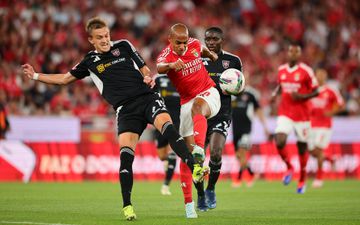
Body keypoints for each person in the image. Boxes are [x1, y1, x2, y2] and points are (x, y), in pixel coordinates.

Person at [22, 17, 208, 221]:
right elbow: (65, 79)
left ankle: (195, 167)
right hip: (126, 110)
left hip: (147, 97)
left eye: (107, 36)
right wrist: (36, 76)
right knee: (126, 158)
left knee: (168, 128)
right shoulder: (89, 61)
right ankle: (127, 206)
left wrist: (147, 76)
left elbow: (144, 67)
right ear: (91, 39)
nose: (105, 40)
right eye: (100, 37)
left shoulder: (124, 45)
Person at [156, 23, 220, 218]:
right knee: (186, 156)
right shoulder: (166, 56)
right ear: (170, 39)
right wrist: (171, 66)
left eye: (184, 42)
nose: (182, 46)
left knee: (198, 107)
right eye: (178, 43)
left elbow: (201, 49)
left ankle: (200, 150)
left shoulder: (193, 44)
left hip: (208, 92)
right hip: (186, 104)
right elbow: (159, 68)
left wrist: (210, 55)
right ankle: (189, 205)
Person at [194, 27, 243, 211]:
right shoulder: (197, 59)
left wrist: (233, 89)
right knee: (197, 160)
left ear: (222, 39)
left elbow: (240, 87)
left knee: (215, 153)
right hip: (200, 114)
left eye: (215, 39)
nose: (211, 42)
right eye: (208, 39)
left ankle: (211, 189)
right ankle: (199, 195)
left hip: (221, 113)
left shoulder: (233, 61)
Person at [271, 43, 319, 194]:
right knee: (279, 140)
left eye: (296, 52)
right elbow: (280, 86)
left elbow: (316, 91)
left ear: (299, 54)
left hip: (302, 116)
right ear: (287, 53)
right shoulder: (281, 70)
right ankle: (290, 167)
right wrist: (275, 94)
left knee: (302, 148)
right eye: (290, 51)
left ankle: (302, 179)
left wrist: (302, 96)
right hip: (285, 112)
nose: (293, 54)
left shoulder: (306, 71)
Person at [231, 72, 270, 188]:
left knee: (242, 153)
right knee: (238, 155)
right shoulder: (232, 93)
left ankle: (238, 179)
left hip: (246, 129)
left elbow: (258, 110)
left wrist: (265, 127)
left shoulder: (250, 94)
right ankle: (252, 174)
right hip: (235, 129)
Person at [309, 68, 344, 188]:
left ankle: (319, 178)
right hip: (311, 125)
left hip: (325, 126)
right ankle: (330, 159)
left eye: (322, 75)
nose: (320, 77)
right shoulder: (311, 90)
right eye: (318, 75)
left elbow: (341, 104)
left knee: (318, 150)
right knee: (312, 152)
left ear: (325, 76)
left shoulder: (331, 91)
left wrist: (332, 112)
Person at [153, 74, 180, 195]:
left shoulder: (182, 78)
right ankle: (167, 162)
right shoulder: (158, 78)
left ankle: (166, 185)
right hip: (161, 120)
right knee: (162, 156)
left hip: (177, 121)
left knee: (172, 152)